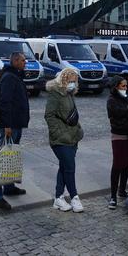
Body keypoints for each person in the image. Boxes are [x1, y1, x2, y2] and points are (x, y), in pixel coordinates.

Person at [0, 52, 30, 210]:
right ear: (14, 61)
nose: (25, 62)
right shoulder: (9, 77)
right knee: (2, 159)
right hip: (10, 125)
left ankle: (9, 187)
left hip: (16, 124)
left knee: (11, 157)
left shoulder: (15, 76)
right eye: (22, 60)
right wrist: (6, 125)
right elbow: (4, 102)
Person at [45, 67, 85, 213]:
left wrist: (77, 129)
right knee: (70, 167)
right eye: (70, 80)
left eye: (75, 81)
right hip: (61, 139)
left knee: (64, 166)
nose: (73, 83)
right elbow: (49, 116)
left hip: (72, 136)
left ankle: (58, 198)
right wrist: (58, 133)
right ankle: (74, 197)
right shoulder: (55, 94)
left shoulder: (69, 94)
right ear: (63, 79)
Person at [106, 74, 128, 209]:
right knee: (118, 164)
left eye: (126, 86)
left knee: (126, 163)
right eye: (123, 86)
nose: (125, 88)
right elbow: (117, 114)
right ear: (116, 86)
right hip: (119, 135)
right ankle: (113, 195)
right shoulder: (111, 100)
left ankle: (122, 189)